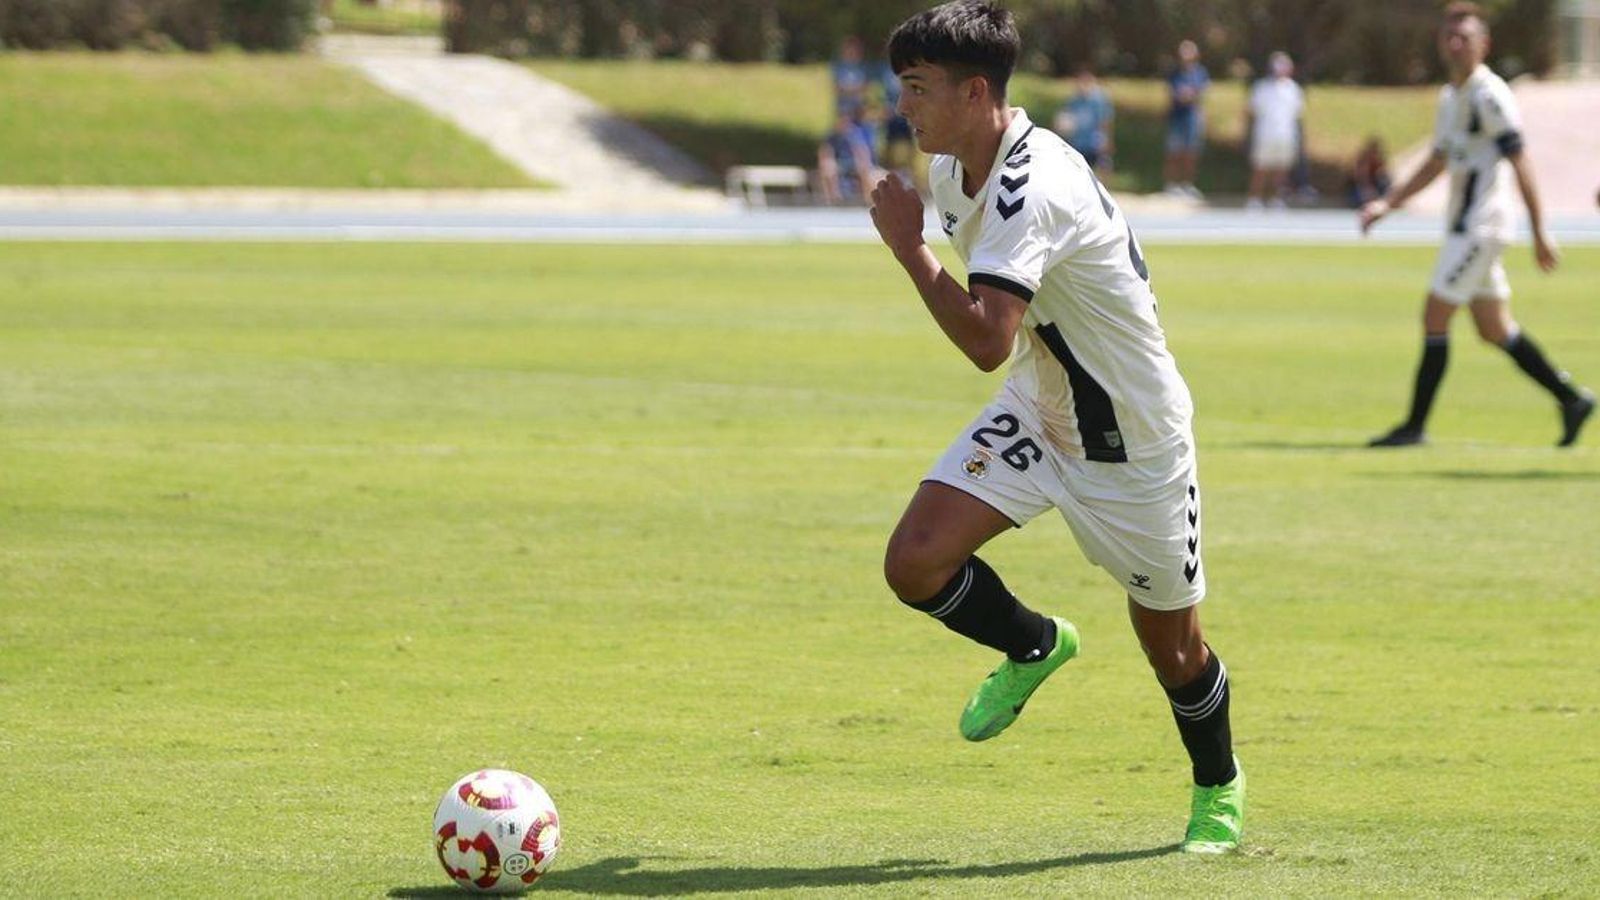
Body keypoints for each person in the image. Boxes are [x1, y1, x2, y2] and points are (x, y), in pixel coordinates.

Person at [869, 0, 1244, 854]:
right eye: (902, 88)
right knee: (916, 561)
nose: (906, 107)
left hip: (1134, 444)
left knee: (1174, 651)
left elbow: (984, 338)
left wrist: (910, 251)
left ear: (974, 92)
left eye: (919, 89)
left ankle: (1218, 787)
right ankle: (1035, 646)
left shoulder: (1029, 186)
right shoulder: (950, 170)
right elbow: (1012, 338)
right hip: (1043, 407)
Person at [1361, 2, 1594, 447]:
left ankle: (1414, 427)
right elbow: (1435, 162)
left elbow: (1520, 158)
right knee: (1493, 328)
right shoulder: (1452, 97)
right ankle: (1571, 399)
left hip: (1482, 226)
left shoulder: (1490, 96)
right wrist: (1387, 204)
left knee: (1435, 314)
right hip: (1465, 227)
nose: (1454, 44)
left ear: (1483, 44)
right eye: (1449, 35)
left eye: (1464, 37)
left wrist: (1541, 229)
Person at [1245, 52, 1304, 210]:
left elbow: (1297, 114)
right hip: (1265, 134)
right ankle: (1254, 199)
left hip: (1285, 135)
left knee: (1282, 169)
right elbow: (1252, 111)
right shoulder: (1261, 87)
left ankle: (1276, 199)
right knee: (1261, 167)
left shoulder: (1293, 89)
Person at [1163, 39, 1210, 199]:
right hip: (1177, 118)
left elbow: (1200, 93)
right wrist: (1187, 95)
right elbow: (1175, 94)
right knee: (1174, 151)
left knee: (1191, 153)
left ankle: (1187, 185)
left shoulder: (1200, 73)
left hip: (1192, 118)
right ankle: (1171, 185)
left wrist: (1189, 95)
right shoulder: (1174, 73)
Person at [1053, 64, 1114, 173]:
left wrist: (1106, 140)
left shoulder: (1098, 100)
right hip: (1078, 144)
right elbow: (1065, 120)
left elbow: (1105, 121)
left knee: (1103, 167)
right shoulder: (1073, 101)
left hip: (1094, 143)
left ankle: (1104, 188)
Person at [817, 110, 877, 205]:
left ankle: (867, 199)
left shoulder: (854, 134)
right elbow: (825, 151)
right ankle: (833, 199)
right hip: (839, 162)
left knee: (864, 169)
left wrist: (863, 163)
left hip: (853, 162)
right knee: (828, 169)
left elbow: (861, 151)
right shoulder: (832, 136)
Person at [1346, 137, 1392, 208]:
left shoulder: (1378, 161)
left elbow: (1383, 174)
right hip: (1360, 188)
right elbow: (1361, 177)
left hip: (1375, 186)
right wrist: (1367, 189)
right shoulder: (1364, 161)